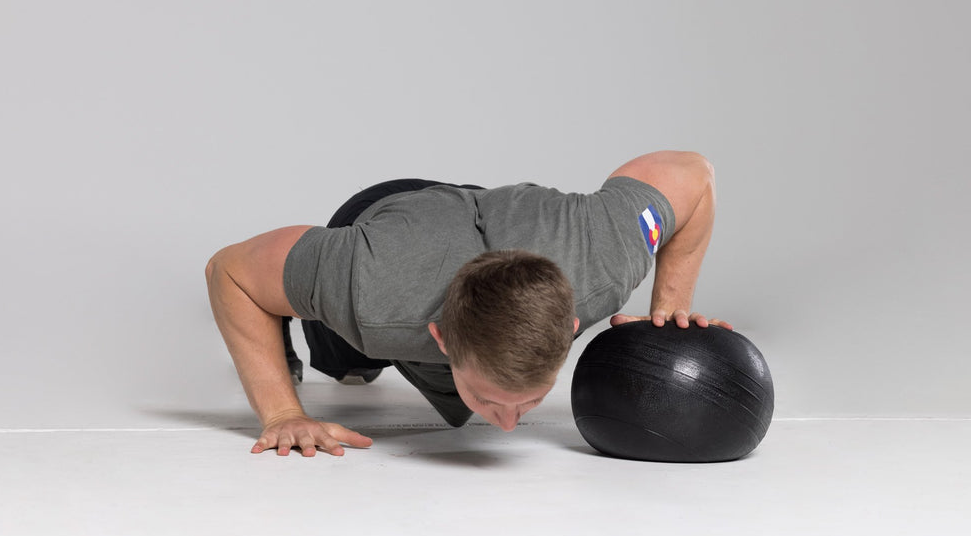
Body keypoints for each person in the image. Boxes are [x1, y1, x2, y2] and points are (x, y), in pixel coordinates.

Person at [205, 150, 731, 458]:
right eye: (491, 400)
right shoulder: (366, 286)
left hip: (501, 221)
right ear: (439, 336)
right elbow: (231, 271)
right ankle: (331, 354)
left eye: (528, 401)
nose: (506, 426)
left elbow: (692, 173)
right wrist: (281, 412)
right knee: (346, 360)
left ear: (571, 327)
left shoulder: (605, 258)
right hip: (389, 221)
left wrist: (669, 311)